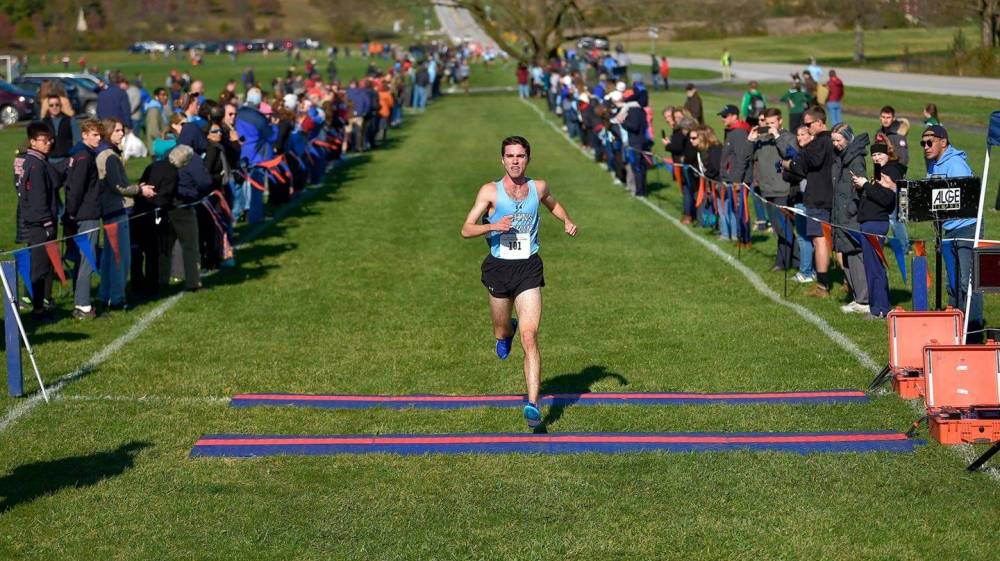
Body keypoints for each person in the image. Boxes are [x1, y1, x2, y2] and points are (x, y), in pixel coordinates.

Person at [460, 136, 577, 431]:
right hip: (499, 268)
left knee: (530, 336)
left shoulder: (538, 188)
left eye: (520, 156)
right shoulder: (490, 191)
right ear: (502, 159)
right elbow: (465, 229)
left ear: (528, 159)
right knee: (503, 330)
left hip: (528, 267)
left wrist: (566, 220)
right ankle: (505, 332)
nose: (515, 160)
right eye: (510, 156)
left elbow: (553, 204)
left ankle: (533, 404)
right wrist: (492, 225)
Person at [784, 106, 835, 297]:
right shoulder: (835, 140)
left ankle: (822, 286)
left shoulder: (818, 143)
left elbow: (803, 167)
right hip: (833, 198)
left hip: (818, 199)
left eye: (808, 124)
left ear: (819, 122)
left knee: (819, 240)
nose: (806, 127)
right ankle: (848, 282)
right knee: (836, 241)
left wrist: (787, 164)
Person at [14, 123, 60, 320]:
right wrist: (47, 223)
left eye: (49, 140)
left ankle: (41, 303)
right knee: (39, 267)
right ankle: (38, 309)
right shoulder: (35, 164)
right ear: (33, 142)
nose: (48, 143)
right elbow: (37, 198)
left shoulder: (38, 160)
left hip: (37, 221)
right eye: (43, 140)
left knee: (43, 265)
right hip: (39, 224)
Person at [852, 140, 902, 319]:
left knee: (874, 267)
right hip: (869, 222)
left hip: (876, 223)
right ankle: (880, 306)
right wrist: (862, 187)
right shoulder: (879, 171)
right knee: (873, 266)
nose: (876, 157)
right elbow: (875, 196)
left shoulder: (890, 172)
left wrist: (865, 185)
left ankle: (879, 309)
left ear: (888, 154)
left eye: (880, 154)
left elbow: (887, 199)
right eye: (873, 155)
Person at [63, 119, 104, 319]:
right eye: (95, 135)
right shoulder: (84, 157)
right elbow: (75, 188)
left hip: (81, 213)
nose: (98, 138)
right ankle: (83, 305)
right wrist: (71, 213)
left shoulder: (80, 154)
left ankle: (80, 300)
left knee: (82, 258)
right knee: (88, 258)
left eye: (100, 135)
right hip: (86, 214)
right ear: (84, 135)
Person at [748, 108, 796, 271]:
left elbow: (790, 154)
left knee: (784, 228)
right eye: (766, 123)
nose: (769, 126)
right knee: (777, 228)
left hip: (782, 189)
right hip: (766, 189)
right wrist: (751, 141)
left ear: (780, 121)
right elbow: (749, 159)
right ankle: (788, 260)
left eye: (772, 123)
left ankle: (784, 262)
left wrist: (776, 136)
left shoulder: (787, 137)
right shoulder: (761, 139)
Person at [829, 123, 870, 314]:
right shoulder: (840, 157)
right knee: (845, 254)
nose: (835, 144)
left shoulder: (855, 160)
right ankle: (857, 296)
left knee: (855, 255)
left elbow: (860, 188)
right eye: (833, 140)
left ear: (848, 138)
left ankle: (864, 299)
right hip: (840, 213)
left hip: (850, 215)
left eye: (838, 140)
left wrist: (849, 209)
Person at [718, 104, 752, 243]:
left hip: (738, 179)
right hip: (732, 177)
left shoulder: (738, 133)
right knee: (734, 208)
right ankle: (738, 236)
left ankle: (744, 239)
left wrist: (738, 180)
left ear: (734, 116)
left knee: (740, 209)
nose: (722, 119)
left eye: (725, 116)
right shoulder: (732, 131)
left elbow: (741, 158)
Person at [41, 94, 79, 169]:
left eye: (57, 104)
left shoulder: (70, 120)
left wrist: (72, 154)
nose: (54, 107)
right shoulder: (44, 122)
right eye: (51, 105)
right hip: (49, 162)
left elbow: (78, 140)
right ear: (48, 107)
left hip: (66, 160)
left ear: (60, 105)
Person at [877, 106, 910, 174]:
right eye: (883, 117)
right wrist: (877, 174)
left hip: (893, 174)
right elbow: (876, 156)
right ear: (880, 117)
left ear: (893, 118)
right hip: (880, 172)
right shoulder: (879, 134)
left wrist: (894, 175)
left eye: (888, 117)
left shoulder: (898, 135)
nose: (885, 120)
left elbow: (904, 159)